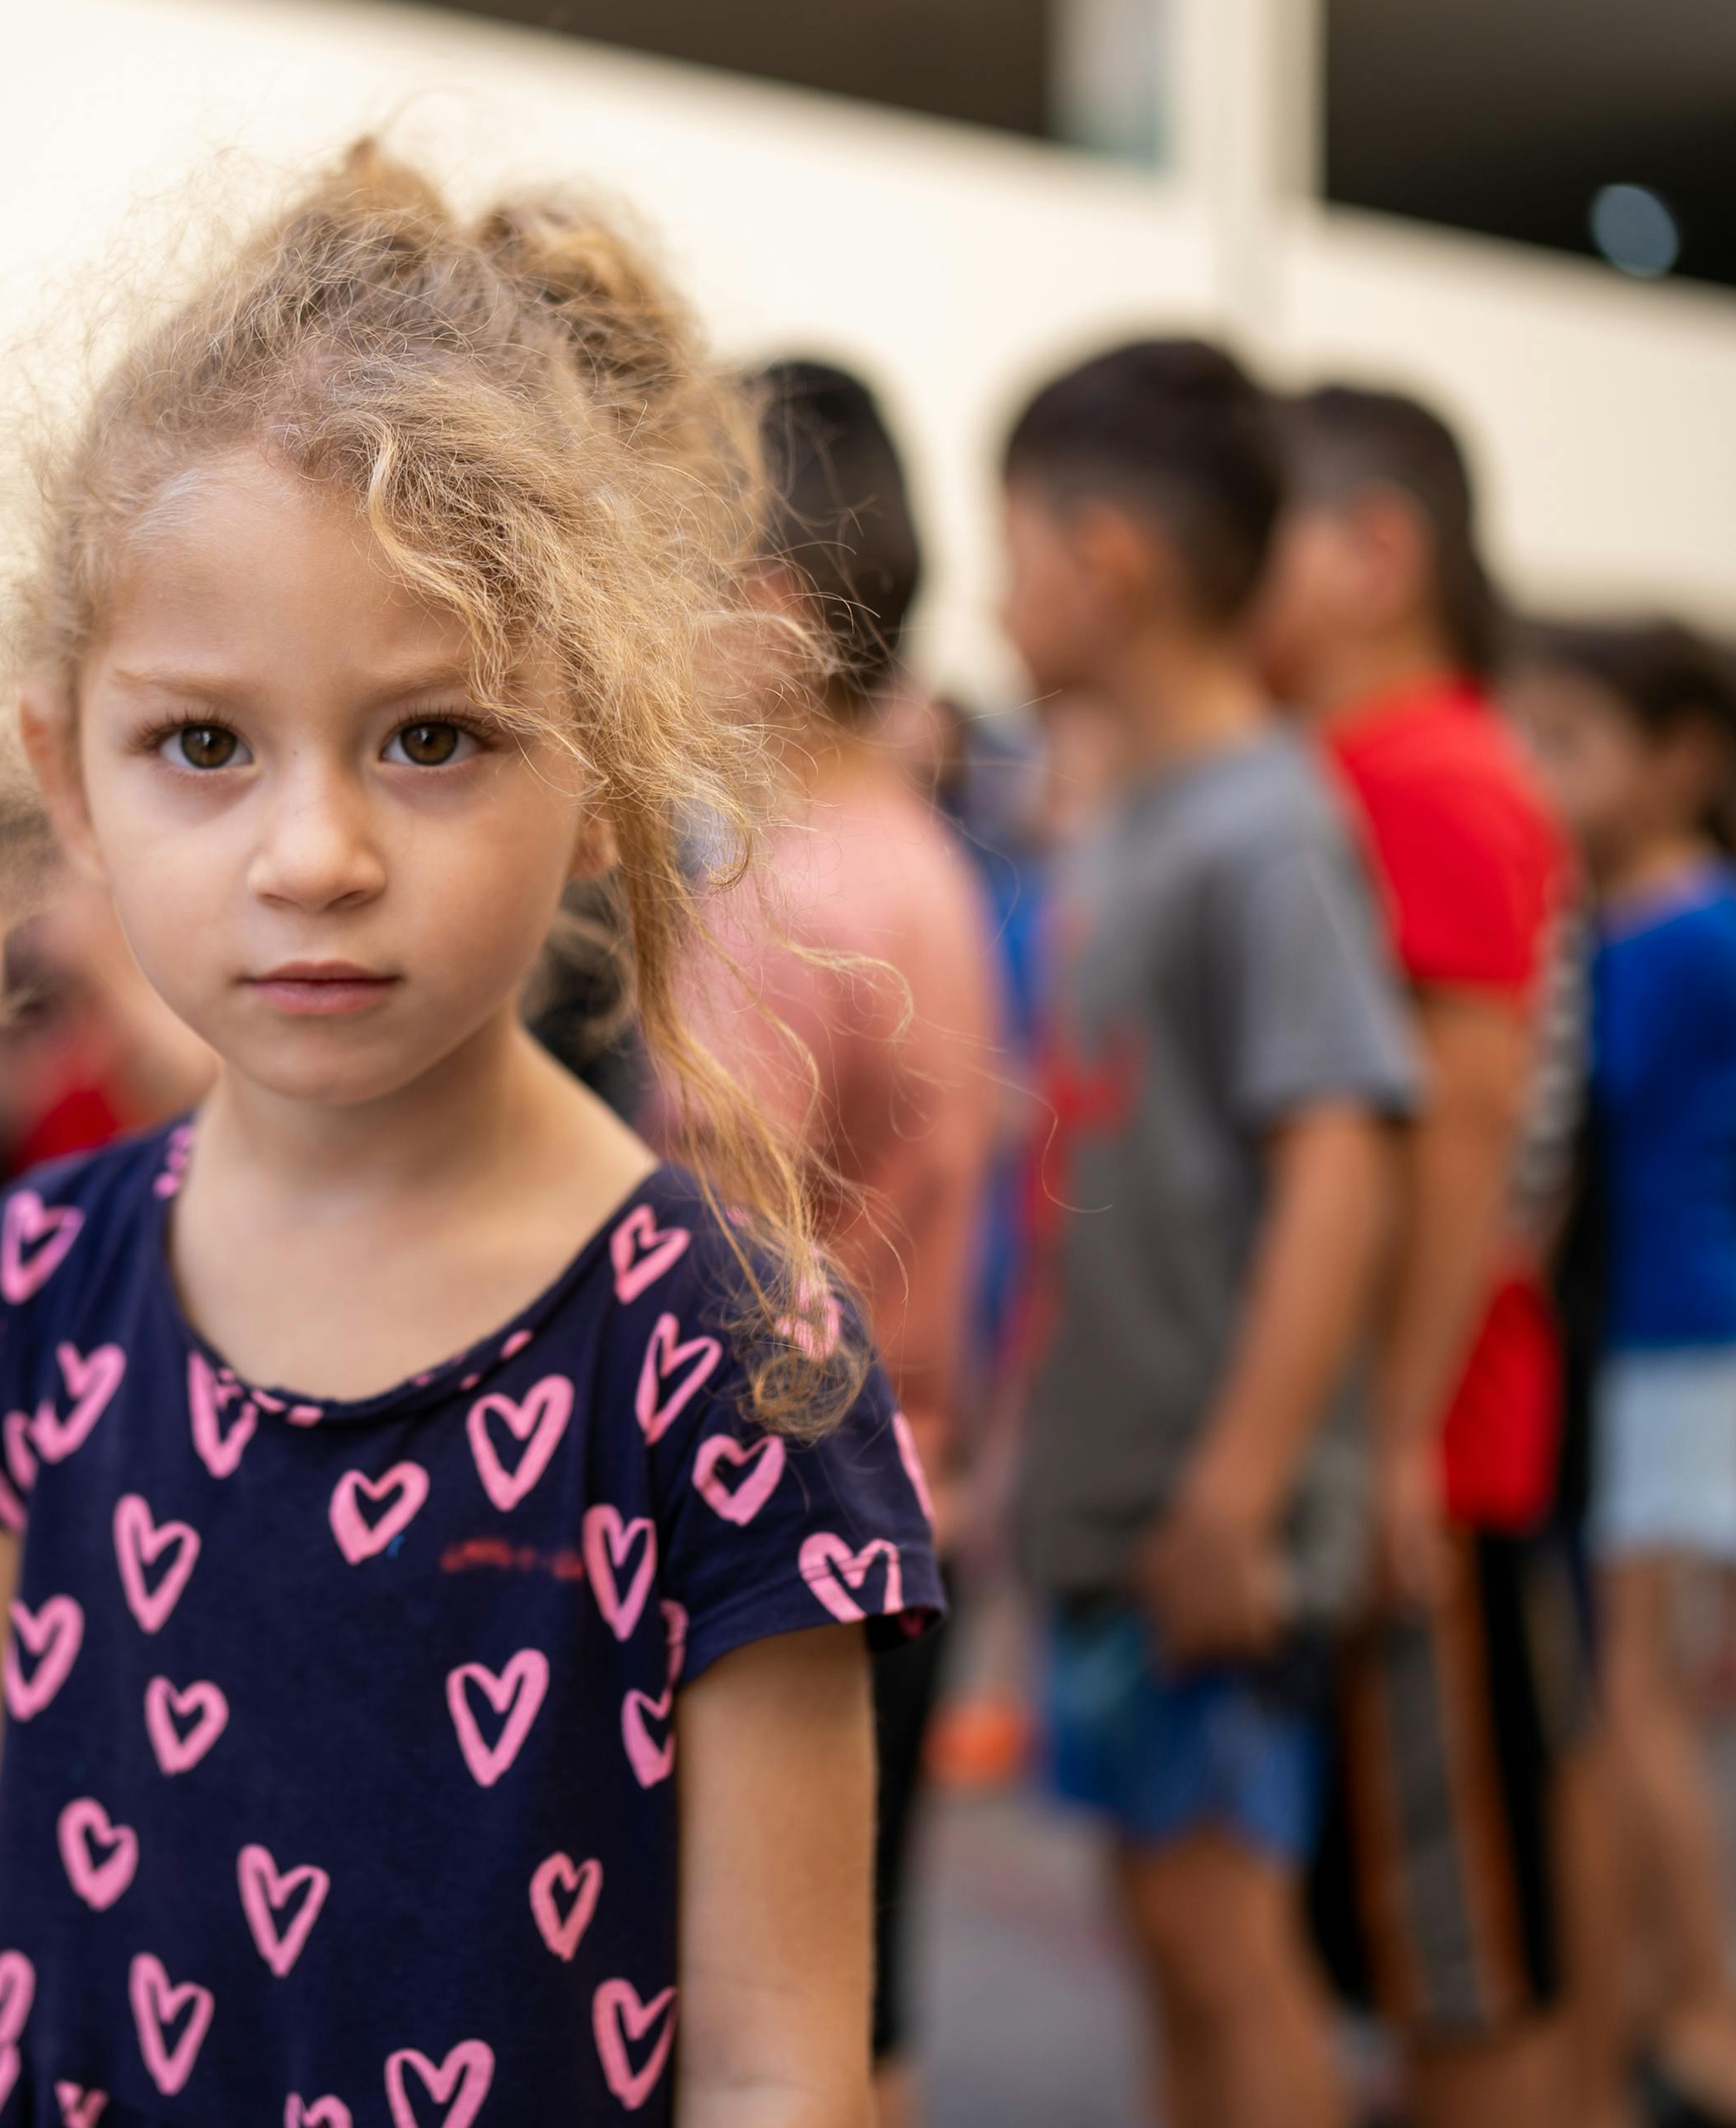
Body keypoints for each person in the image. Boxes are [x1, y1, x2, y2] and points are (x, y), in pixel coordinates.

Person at [0, 144, 941, 2126]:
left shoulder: (727, 1363)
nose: (316, 855)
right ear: (65, 780)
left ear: (609, 774)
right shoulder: (28, 1291)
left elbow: (785, 2057)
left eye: (434, 738)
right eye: (203, 743)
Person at [1001, 338, 1417, 2128]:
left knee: (1226, 1933)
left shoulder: (1267, 825)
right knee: (1163, 1926)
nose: (998, 584)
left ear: (1109, 562)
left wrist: (1240, 1486)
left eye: (1009, 541)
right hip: (1121, 1491)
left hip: (1203, 1514)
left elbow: (1342, 1156)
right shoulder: (1145, 813)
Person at [1250, 383, 1587, 2126]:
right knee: (1416, 1925)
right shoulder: (1365, 768)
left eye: (1269, 527)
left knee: (1458, 1950)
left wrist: (1388, 1433)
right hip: (1398, 1447)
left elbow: (1468, 1128)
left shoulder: (1432, 773)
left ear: (1379, 553)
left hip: (1427, 1463)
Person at [688, 355, 998, 2128]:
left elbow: (704, 1237)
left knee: (772, 2023)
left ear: (773, 613)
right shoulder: (916, 852)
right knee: (856, 2013)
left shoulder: (783, 894)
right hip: (905, 1495)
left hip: (790, 1539)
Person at [1510, 620, 1736, 2126]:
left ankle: (1713, 2017)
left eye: (1575, 740)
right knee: (1617, 1693)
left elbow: (1569, 1092)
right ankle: (1638, 2001)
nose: (1544, 773)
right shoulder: (1641, 917)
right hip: (1639, 1331)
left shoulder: (1686, 927)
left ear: (1682, 757)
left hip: (1664, 1336)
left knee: (1631, 1698)